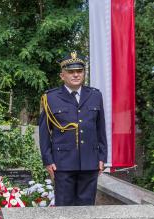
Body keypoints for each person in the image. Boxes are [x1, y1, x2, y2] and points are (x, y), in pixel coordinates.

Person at [39, 51, 107, 206]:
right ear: (62, 75)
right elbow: (44, 134)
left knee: (87, 208)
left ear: (84, 73)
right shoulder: (50, 98)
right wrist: (48, 160)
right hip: (62, 163)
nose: (76, 75)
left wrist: (102, 157)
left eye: (79, 71)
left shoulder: (95, 95)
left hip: (90, 162)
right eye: (71, 72)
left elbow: (100, 129)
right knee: (64, 208)